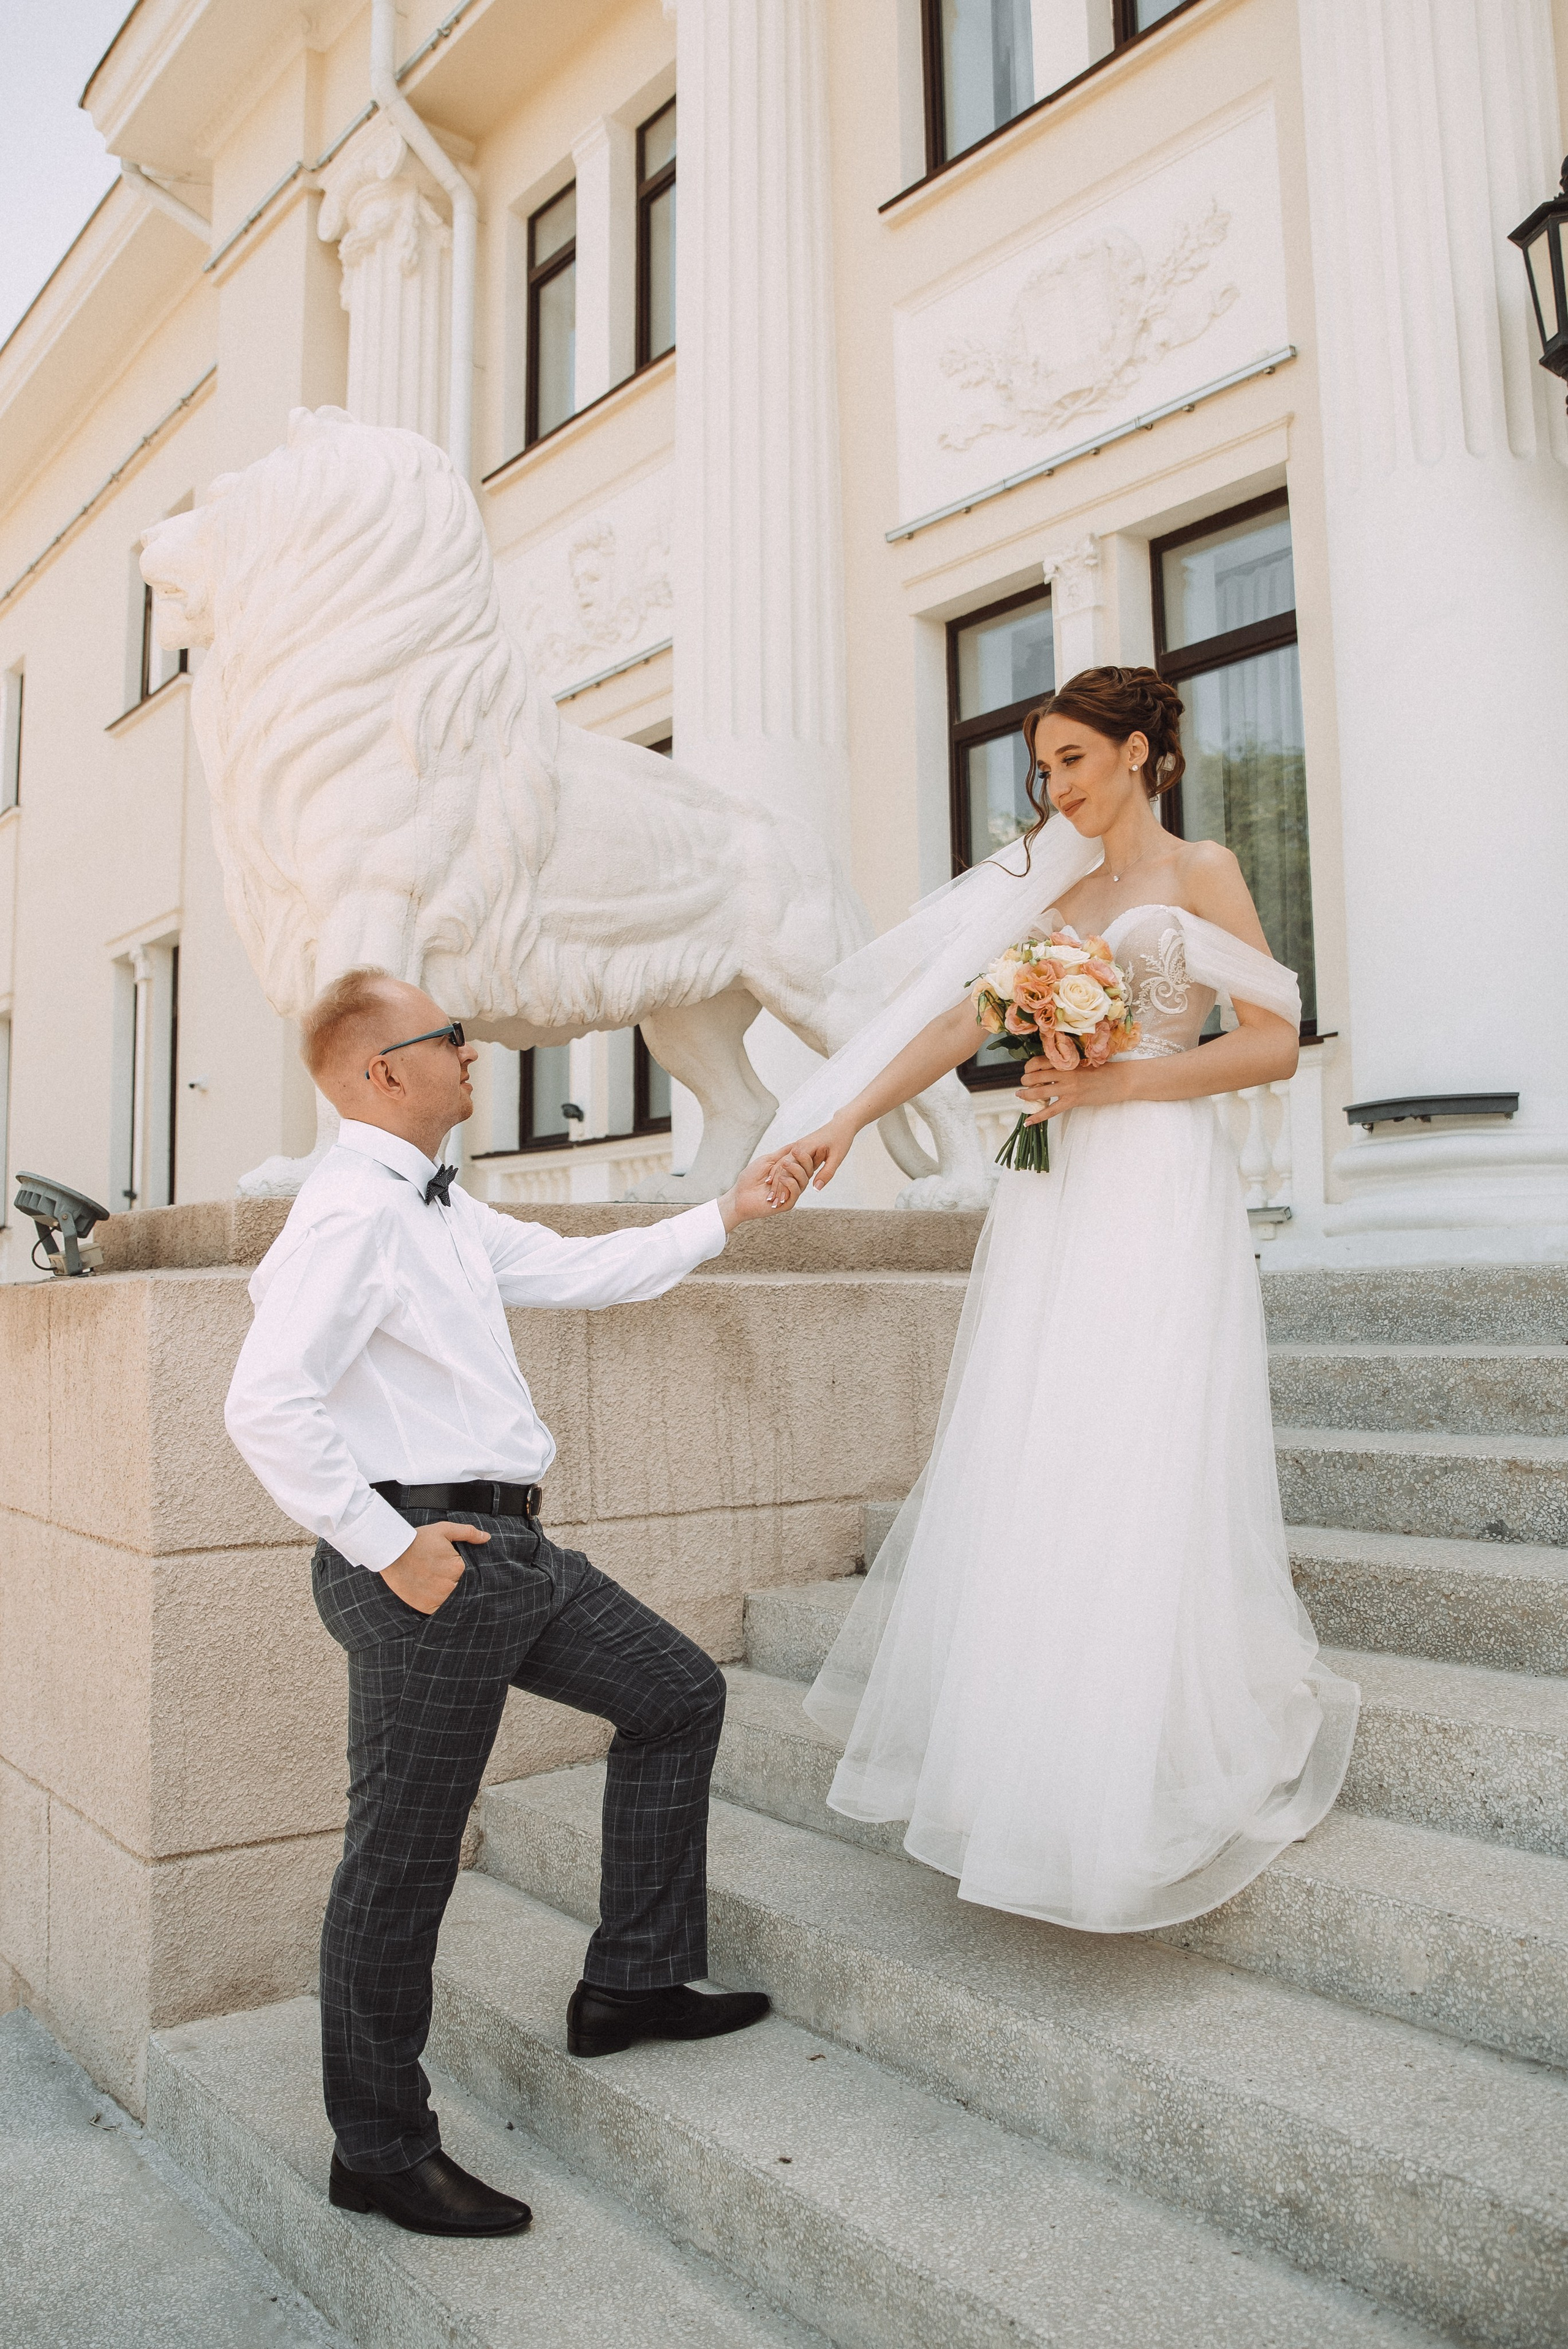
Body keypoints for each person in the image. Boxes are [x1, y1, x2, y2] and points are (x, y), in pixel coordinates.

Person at [766, 666, 1358, 1936]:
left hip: (1154, 1175)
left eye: (1073, 760)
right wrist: (842, 1121)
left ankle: (1143, 1746)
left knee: (1139, 1431)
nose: (1055, 787)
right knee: (1049, 1435)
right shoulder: (1055, 895)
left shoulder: (1198, 872)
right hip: (1052, 1187)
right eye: (1042, 769)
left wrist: (1117, 1084)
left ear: (1140, 753)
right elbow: (953, 1028)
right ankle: (1035, 1754)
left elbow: (1270, 1035)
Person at [225, 969, 810, 2239]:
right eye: (450, 1038)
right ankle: (379, 2148)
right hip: (430, 1564)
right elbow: (264, 1401)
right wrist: (390, 1548)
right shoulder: (349, 1212)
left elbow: (583, 1268)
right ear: (384, 1070)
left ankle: (633, 1982)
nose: (474, 1050)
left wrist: (732, 1208)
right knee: (400, 1861)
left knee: (675, 1695)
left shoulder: (435, 1203)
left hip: (507, 1551)